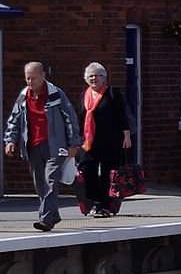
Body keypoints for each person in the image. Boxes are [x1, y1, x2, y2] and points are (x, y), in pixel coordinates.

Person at [5, 61, 81, 232]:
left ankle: (45, 219)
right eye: (27, 78)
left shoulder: (56, 94)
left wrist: (74, 143)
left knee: (51, 180)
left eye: (33, 78)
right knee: (40, 183)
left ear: (43, 76)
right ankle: (53, 214)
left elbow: (70, 118)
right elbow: (15, 119)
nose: (30, 82)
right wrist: (10, 140)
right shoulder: (24, 96)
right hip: (33, 145)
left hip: (55, 145)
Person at [73, 62, 134, 217]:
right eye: (91, 76)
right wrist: (76, 139)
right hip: (89, 141)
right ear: (86, 78)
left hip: (111, 140)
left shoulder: (113, 93)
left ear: (104, 78)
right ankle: (94, 202)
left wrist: (126, 135)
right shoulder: (84, 95)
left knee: (109, 173)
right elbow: (80, 117)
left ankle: (105, 205)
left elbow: (122, 115)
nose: (94, 78)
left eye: (98, 75)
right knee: (87, 170)